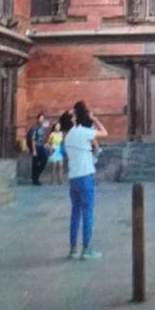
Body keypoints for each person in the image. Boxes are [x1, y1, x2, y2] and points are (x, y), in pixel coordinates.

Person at [64, 100, 107, 260]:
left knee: (75, 213)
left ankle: (72, 249)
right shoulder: (84, 132)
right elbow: (104, 133)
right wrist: (94, 119)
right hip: (85, 177)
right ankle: (86, 249)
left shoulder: (68, 136)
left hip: (73, 178)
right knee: (87, 213)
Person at [28, 113, 48, 186]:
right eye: (40, 118)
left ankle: (36, 176)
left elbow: (44, 137)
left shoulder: (43, 128)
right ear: (37, 119)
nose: (41, 120)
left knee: (44, 160)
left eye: (43, 118)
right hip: (36, 146)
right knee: (35, 163)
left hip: (42, 146)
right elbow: (33, 139)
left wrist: (45, 144)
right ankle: (35, 179)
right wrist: (34, 150)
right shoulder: (34, 128)